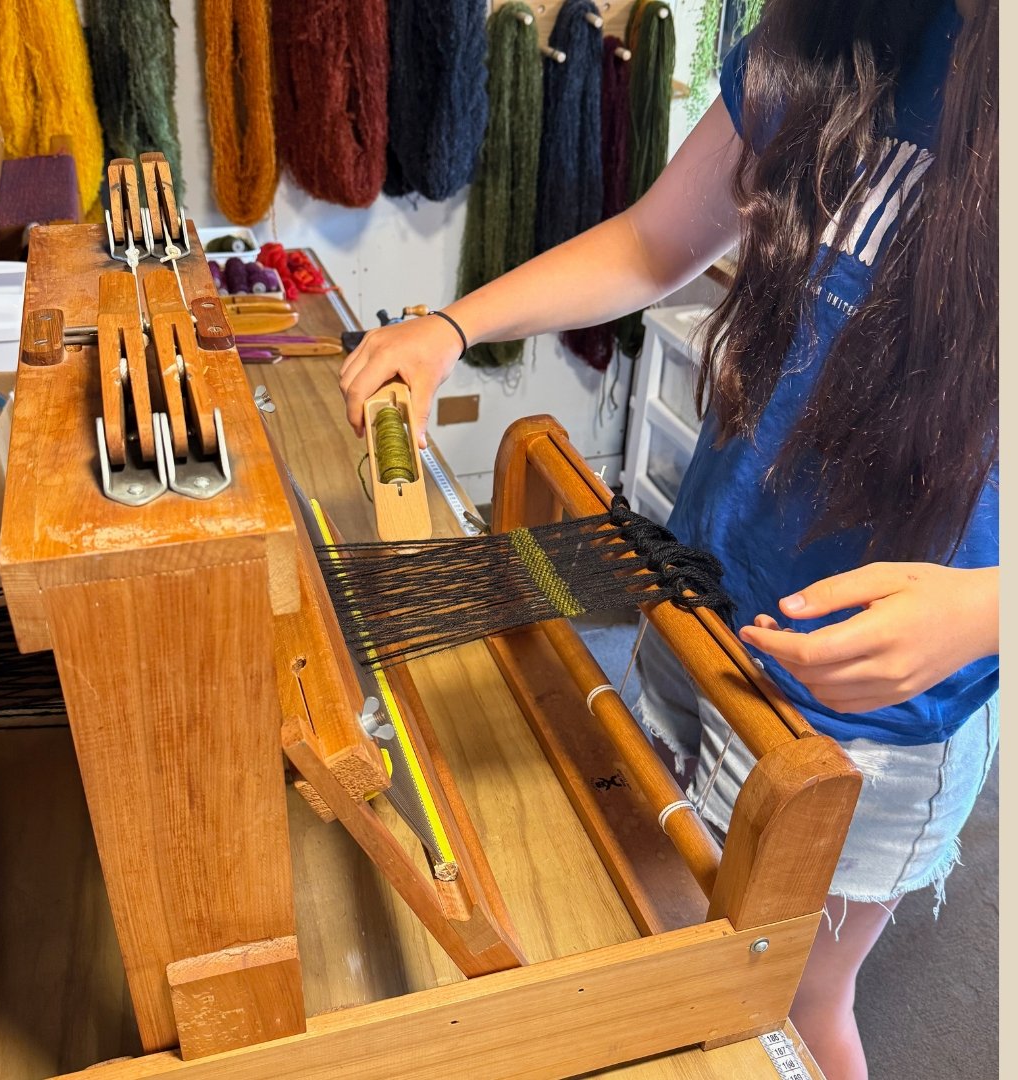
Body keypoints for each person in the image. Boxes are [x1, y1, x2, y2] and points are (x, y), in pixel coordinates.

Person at [338, 1, 998, 1076]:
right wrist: (449, 325)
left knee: (792, 1008)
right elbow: (656, 242)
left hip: (870, 714)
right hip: (703, 603)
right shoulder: (830, 32)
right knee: (667, 920)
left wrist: (987, 611)